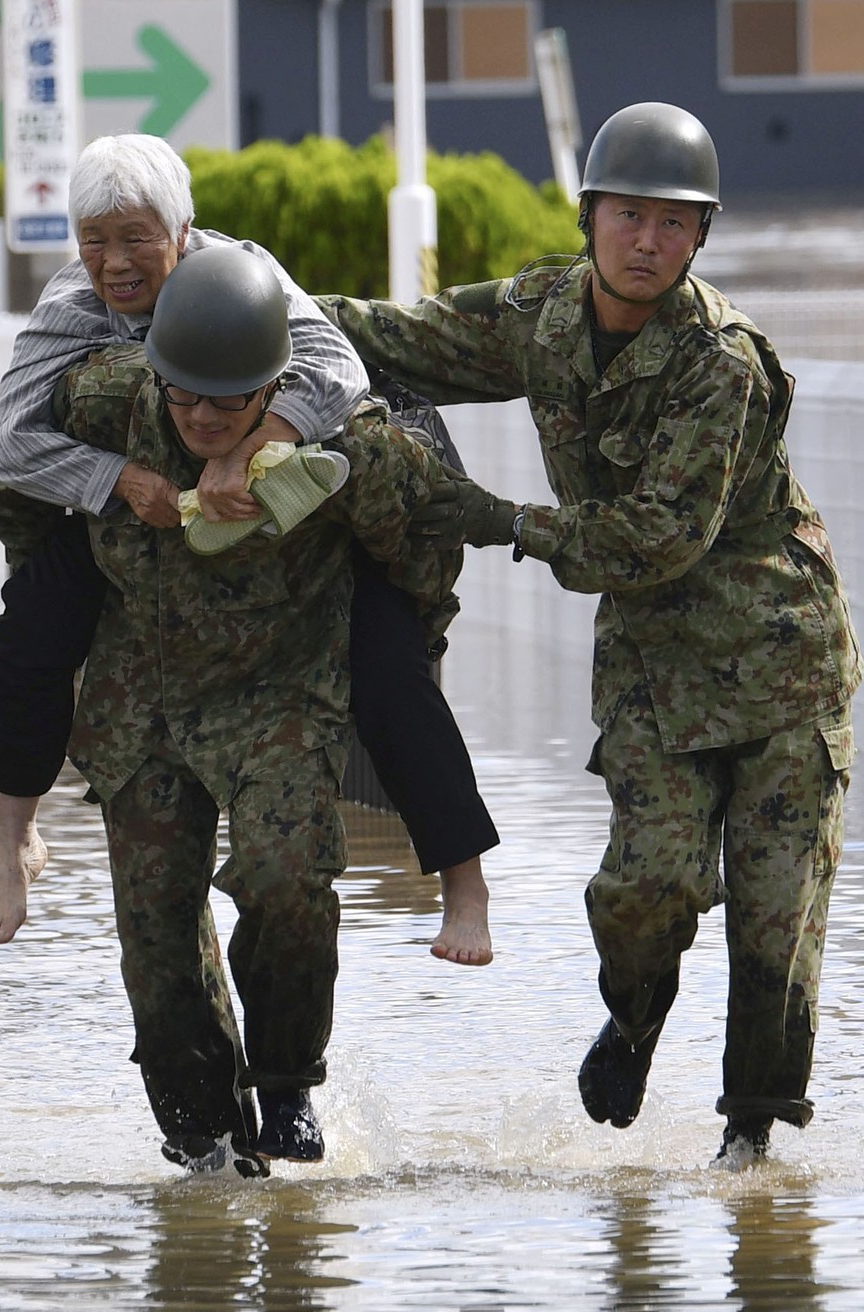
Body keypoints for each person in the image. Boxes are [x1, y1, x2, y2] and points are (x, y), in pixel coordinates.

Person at [314, 102, 862, 1169]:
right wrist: (246, 301)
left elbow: (655, 539)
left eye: (671, 223)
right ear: (590, 216)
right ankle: (635, 1014)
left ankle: (747, 1144)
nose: (646, 240)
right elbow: (398, 335)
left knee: (772, 925)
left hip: (780, 660)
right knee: (642, 886)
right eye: (627, 216)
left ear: (697, 236)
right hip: (656, 668)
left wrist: (498, 520)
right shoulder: (542, 315)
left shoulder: (721, 362)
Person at [0, 244, 463, 1174]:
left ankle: (286, 1083)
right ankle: (205, 1143)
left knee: (288, 884)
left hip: (281, 694)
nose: (202, 418)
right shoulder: (105, 401)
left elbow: (421, 536)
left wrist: (401, 641)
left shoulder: (340, 438)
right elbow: (15, 484)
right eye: (184, 397)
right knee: (158, 947)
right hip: (145, 704)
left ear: (276, 387)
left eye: (227, 402)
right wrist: (94, 513)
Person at [0, 132, 498, 967]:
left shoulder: (237, 275)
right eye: (95, 239)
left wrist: (253, 445)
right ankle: (15, 842)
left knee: (391, 668)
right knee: (31, 620)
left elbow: (337, 366)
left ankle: (463, 884)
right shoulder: (73, 304)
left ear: (181, 232)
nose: (114, 262)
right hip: (139, 518)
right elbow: (6, 444)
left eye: (136, 236)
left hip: (294, 501)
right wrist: (117, 478)